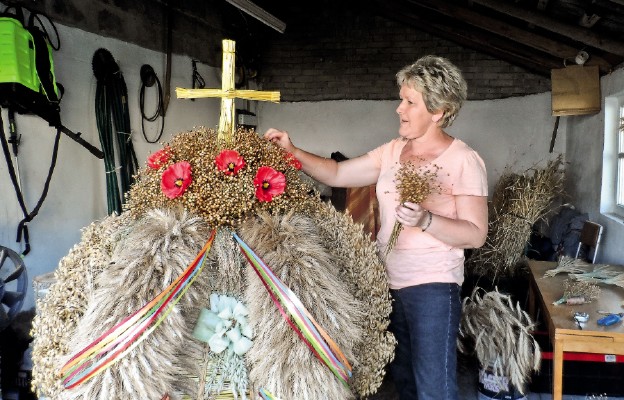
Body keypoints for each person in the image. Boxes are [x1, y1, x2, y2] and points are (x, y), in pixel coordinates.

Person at [264, 55, 488, 400]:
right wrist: (292, 151)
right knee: (404, 381)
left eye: (410, 102)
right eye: (402, 99)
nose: (399, 109)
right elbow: (337, 174)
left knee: (435, 388)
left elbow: (475, 233)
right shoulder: (393, 151)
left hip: (432, 288)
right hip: (388, 283)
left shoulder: (463, 159)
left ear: (438, 111)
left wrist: (426, 220)